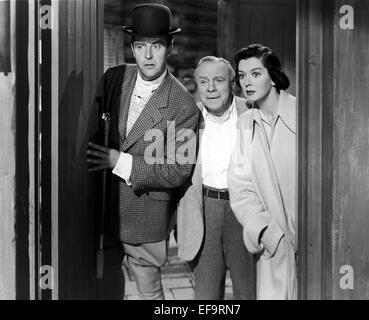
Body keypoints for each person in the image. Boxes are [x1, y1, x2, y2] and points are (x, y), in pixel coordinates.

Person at [86, 3, 200, 300]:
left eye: (157, 46)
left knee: (150, 296)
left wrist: (118, 160)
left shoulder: (183, 105)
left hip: (144, 217)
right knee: (104, 290)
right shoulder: (114, 78)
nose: (148, 56)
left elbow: (177, 171)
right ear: (132, 47)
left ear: (170, 47)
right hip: (103, 213)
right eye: (140, 46)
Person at [177, 56, 256, 300]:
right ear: (197, 85)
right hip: (204, 212)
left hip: (245, 211)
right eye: (204, 81)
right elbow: (174, 174)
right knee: (206, 296)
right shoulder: (186, 119)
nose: (210, 88)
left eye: (218, 80)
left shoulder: (254, 113)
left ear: (232, 83)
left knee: (250, 292)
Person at [227, 44, 297, 299]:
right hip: (274, 244)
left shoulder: (305, 116)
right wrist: (266, 233)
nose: (247, 81)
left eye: (255, 74)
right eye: (242, 75)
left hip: (311, 241)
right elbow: (240, 186)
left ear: (273, 76)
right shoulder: (245, 124)